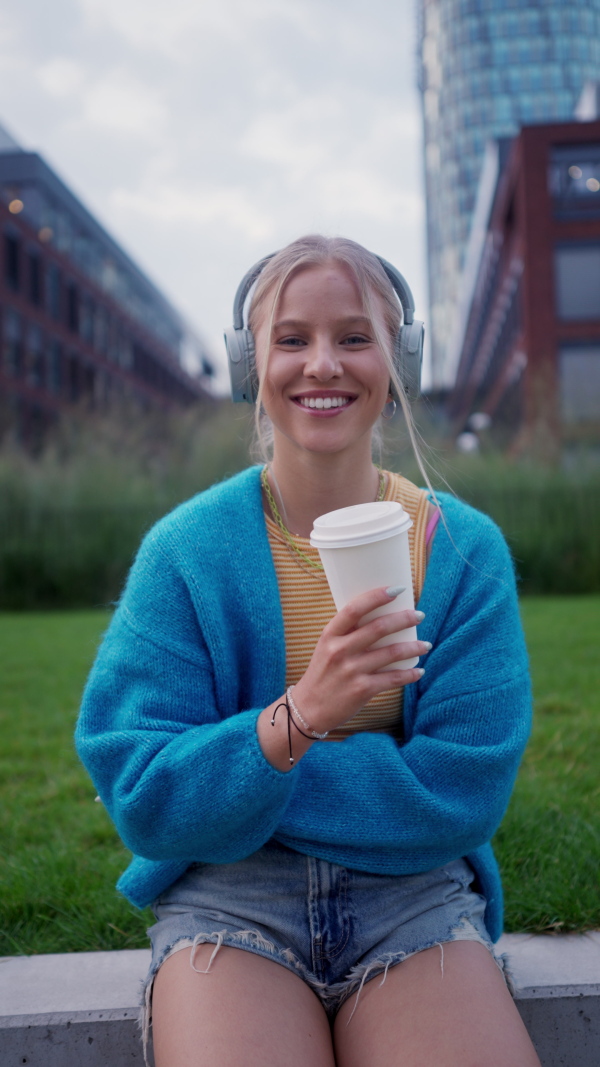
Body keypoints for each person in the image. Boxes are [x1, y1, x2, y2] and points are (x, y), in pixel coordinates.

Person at [76, 235, 541, 1067]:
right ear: (246, 365)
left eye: (354, 337)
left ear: (399, 359)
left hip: (416, 898)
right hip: (230, 903)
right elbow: (140, 789)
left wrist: (248, 781)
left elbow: (462, 791)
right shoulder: (186, 552)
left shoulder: (463, 551)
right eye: (291, 339)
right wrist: (298, 717)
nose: (322, 364)